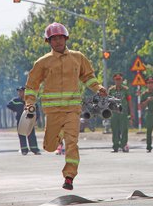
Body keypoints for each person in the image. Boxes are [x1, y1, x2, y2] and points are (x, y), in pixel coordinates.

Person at [25, 22, 107, 190]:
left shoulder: (78, 57)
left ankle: (69, 177)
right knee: (49, 147)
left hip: (72, 110)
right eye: (54, 39)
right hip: (53, 112)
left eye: (60, 38)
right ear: (48, 42)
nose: (58, 42)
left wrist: (98, 88)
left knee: (72, 143)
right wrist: (29, 104)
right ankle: (58, 136)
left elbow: (88, 77)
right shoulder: (43, 62)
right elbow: (32, 85)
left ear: (66, 38)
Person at [7, 86, 41, 155]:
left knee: (31, 135)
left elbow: (36, 110)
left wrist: (35, 119)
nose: (19, 93)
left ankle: (35, 150)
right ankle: (24, 150)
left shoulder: (30, 100)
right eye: (19, 91)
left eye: (21, 91)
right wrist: (15, 110)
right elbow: (9, 105)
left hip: (29, 121)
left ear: (25, 92)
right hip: (20, 121)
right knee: (21, 135)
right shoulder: (16, 100)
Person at [108, 73, 135, 153]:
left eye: (119, 79)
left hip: (123, 113)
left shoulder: (126, 90)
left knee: (124, 130)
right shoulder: (111, 90)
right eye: (116, 80)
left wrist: (132, 112)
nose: (118, 81)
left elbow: (129, 101)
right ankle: (115, 146)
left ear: (122, 80)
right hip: (114, 113)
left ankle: (123, 145)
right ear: (114, 80)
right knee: (115, 130)